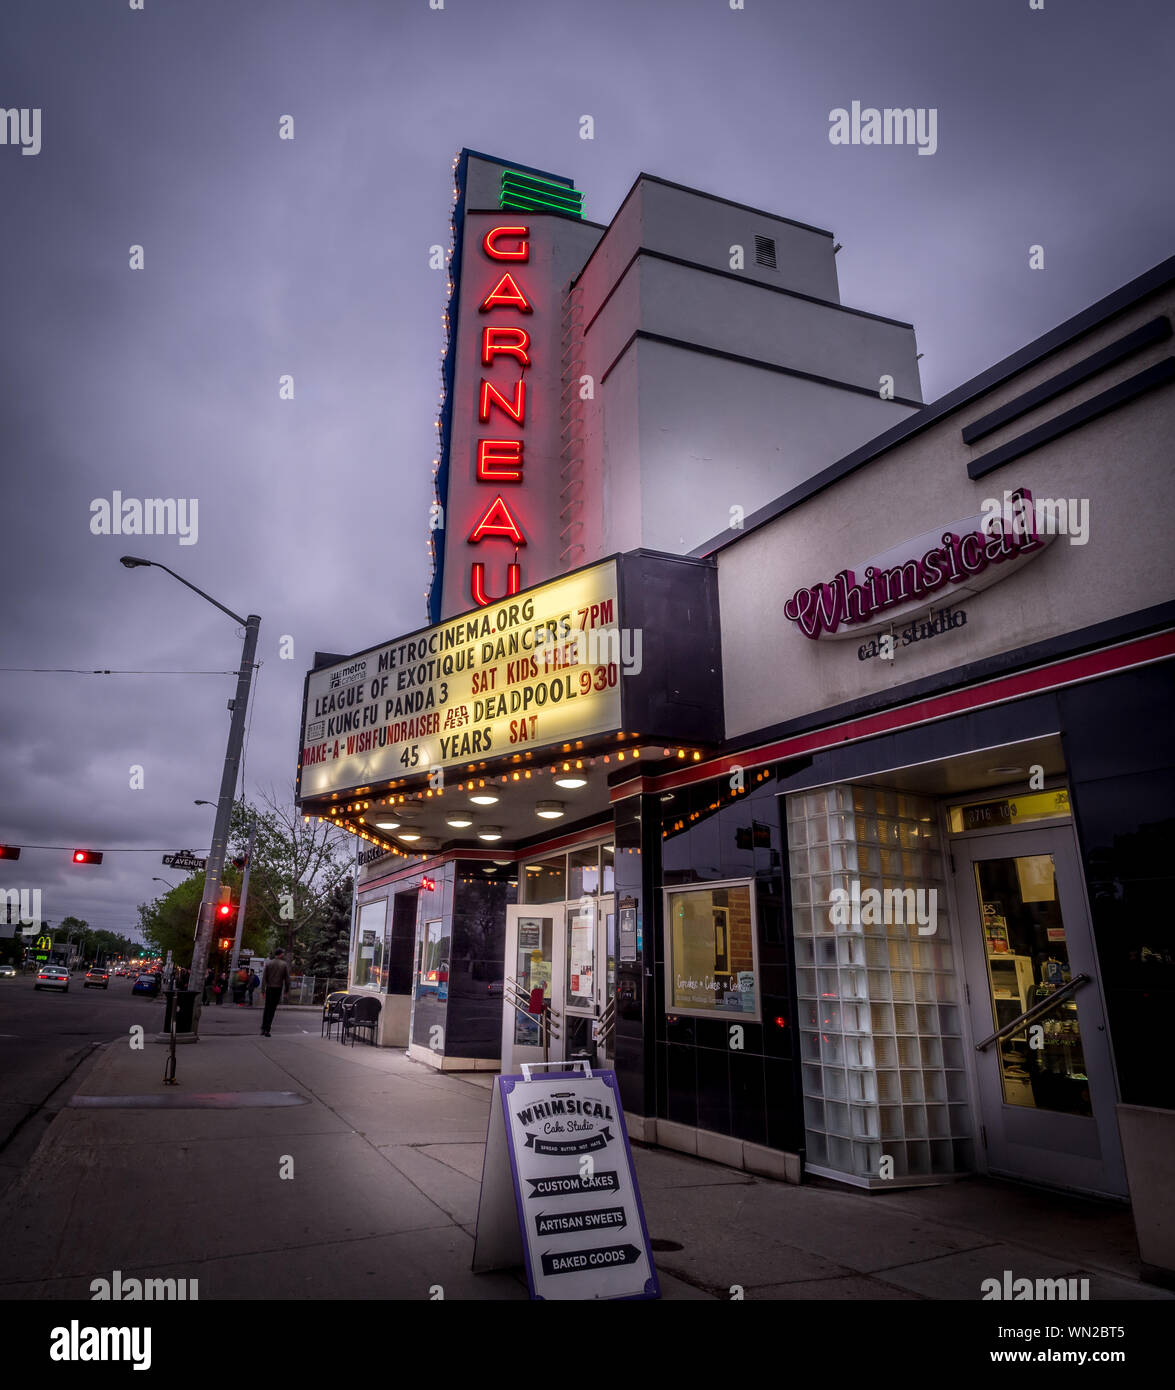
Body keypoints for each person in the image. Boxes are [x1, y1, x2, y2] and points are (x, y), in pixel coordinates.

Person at [260, 949, 290, 1037]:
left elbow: (264, 978)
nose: (283, 955)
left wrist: (263, 990)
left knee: (267, 1008)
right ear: (280, 955)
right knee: (272, 1009)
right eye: (283, 953)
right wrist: (286, 991)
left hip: (269, 988)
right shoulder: (284, 964)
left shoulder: (269, 963)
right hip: (277, 988)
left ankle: (263, 1028)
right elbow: (287, 979)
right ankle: (267, 1030)